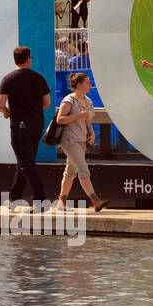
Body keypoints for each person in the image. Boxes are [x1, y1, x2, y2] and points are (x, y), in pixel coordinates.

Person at [0, 46, 52, 210]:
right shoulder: (39, 78)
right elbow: (46, 103)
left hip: (19, 125)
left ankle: (41, 199)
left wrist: (6, 111)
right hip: (37, 124)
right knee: (26, 161)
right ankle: (14, 198)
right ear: (28, 59)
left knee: (26, 163)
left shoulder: (8, 79)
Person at [54, 72, 107, 212]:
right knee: (83, 170)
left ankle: (61, 202)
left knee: (70, 171)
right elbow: (60, 119)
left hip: (81, 140)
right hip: (69, 140)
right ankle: (95, 200)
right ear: (79, 85)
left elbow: (87, 121)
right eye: (87, 82)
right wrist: (78, 115)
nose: (90, 85)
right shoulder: (69, 99)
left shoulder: (88, 101)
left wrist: (92, 132)